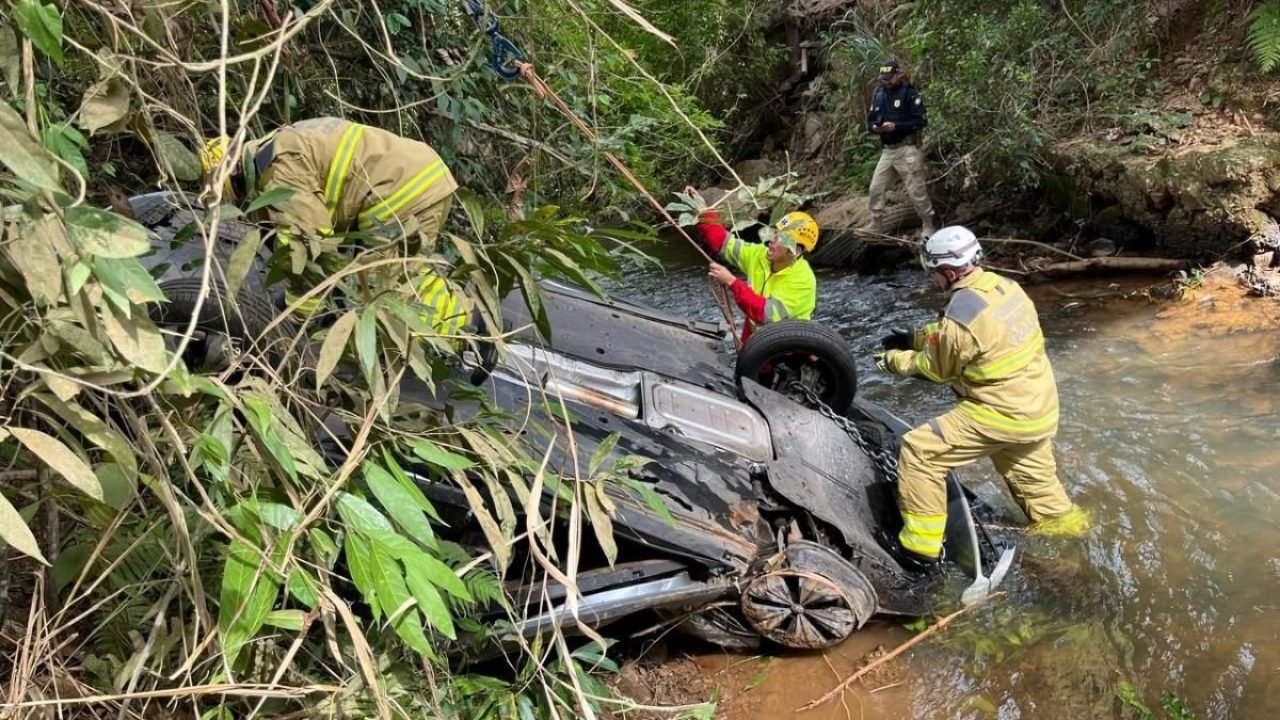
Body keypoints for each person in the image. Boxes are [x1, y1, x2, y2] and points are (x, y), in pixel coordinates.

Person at [873, 226, 1089, 572]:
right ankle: (1076, 547)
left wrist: (892, 360)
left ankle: (920, 549)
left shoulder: (962, 314)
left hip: (998, 412)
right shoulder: (1006, 288)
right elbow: (974, 336)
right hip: (1038, 408)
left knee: (920, 451)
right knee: (1040, 491)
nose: (933, 280)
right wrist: (914, 336)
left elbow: (936, 367)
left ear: (948, 272)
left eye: (934, 273)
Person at [198, 117, 469, 336]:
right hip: (415, 177)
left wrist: (298, 316)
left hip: (402, 191)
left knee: (382, 293)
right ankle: (464, 319)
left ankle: (467, 332)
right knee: (401, 275)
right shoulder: (278, 145)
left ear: (230, 179)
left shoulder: (275, 169)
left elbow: (309, 241)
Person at [686, 190, 819, 345]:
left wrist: (732, 282)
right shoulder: (760, 255)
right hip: (757, 343)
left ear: (795, 251)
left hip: (785, 351)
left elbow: (765, 315)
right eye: (774, 233)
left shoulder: (803, 280)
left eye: (780, 239)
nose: (771, 241)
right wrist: (701, 209)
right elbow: (723, 242)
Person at [860, 60, 936, 241]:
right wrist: (876, 128)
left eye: (889, 78)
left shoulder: (910, 94)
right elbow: (870, 121)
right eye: (883, 79)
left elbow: (920, 121)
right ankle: (876, 223)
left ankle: (928, 224)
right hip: (887, 151)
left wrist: (896, 126)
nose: (886, 82)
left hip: (906, 149)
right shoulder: (879, 94)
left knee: (916, 191)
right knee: (876, 188)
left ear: (898, 75)